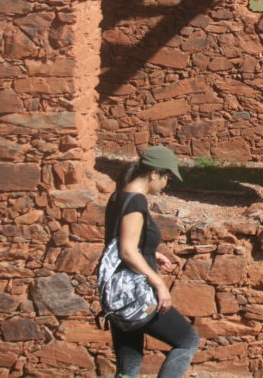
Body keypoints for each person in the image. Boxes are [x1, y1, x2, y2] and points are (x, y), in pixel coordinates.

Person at [104, 145, 199, 378]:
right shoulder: (136, 202)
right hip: (137, 293)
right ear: (153, 174)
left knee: (128, 367)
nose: (166, 183)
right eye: (167, 176)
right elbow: (127, 250)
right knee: (188, 341)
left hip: (117, 294)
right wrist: (158, 283)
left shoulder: (118, 197)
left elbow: (118, 242)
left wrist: (149, 251)